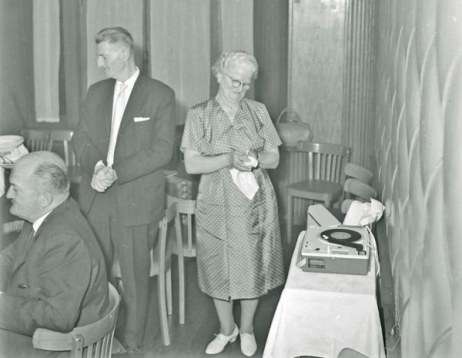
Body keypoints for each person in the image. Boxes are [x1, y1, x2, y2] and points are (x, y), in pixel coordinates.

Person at [71, 27, 176, 355]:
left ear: (124, 53)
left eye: (104, 55)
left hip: (136, 198)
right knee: (93, 272)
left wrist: (116, 173)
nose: (99, 63)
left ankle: (131, 344)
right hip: (96, 195)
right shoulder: (96, 91)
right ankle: (99, 337)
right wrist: (98, 167)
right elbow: (80, 137)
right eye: (98, 55)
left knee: (133, 279)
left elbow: (162, 151)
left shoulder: (160, 94)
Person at [181, 50, 285, 357]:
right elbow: (191, 165)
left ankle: (248, 329)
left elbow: (274, 158)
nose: (239, 89)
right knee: (217, 268)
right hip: (214, 199)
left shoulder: (257, 111)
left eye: (245, 83)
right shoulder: (198, 114)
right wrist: (228, 159)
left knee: (251, 266)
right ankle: (228, 330)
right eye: (234, 81)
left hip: (253, 201)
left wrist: (253, 160)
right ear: (218, 74)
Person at [0, 151, 110, 358]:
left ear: (44, 198)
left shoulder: (65, 239)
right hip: (36, 325)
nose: (8, 195)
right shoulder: (44, 214)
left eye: (15, 189)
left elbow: (57, 317)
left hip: (57, 345)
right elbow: (12, 256)